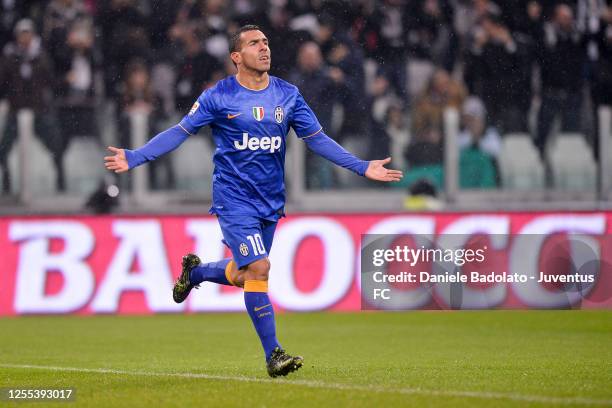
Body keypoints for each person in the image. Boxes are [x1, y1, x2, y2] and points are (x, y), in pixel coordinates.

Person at [104, 25, 402, 377]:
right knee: (260, 269)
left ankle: (196, 271)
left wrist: (361, 165)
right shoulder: (218, 96)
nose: (264, 48)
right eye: (254, 43)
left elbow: (318, 139)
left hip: (270, 200)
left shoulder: (288, 95)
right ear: (236, 56)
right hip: (233, 197)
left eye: (266, 42)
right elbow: (180, 131)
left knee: (246, 274)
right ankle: (273, 354)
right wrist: (136, 156)